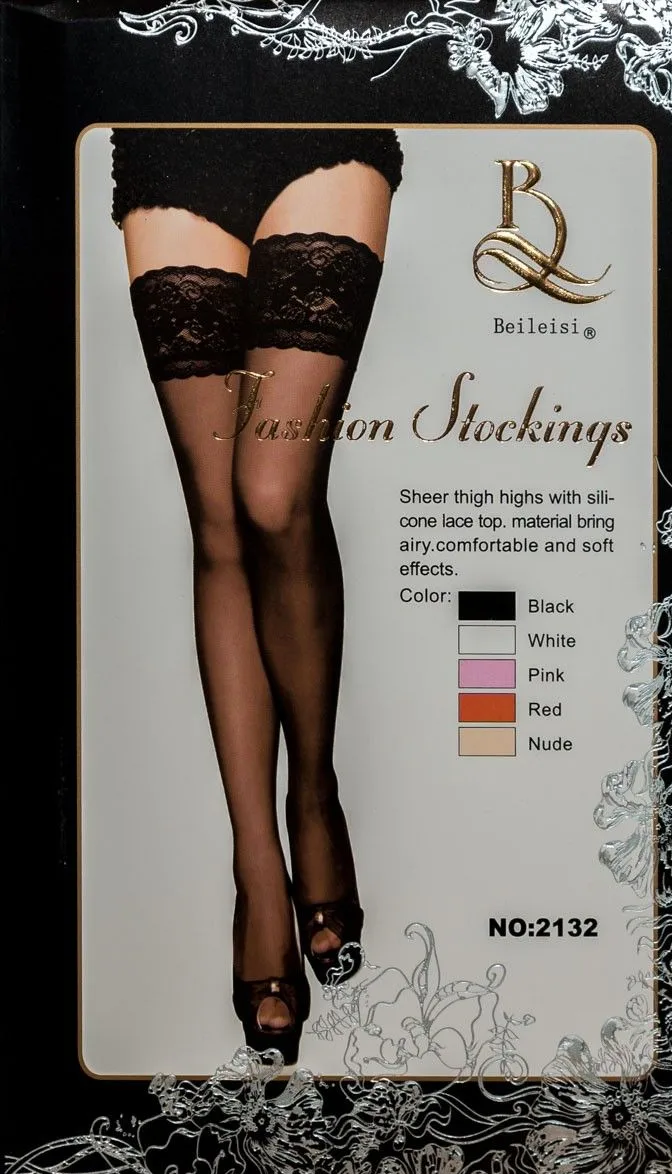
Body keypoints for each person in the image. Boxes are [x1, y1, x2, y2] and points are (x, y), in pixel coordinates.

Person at [111, 127, 403, 1063]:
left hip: (321, 116)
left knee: (273, 495)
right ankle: (259, 872)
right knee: (219, 520)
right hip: (170, 137)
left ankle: (312, 797)